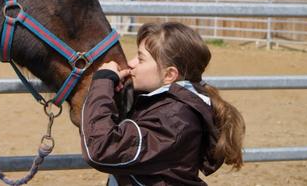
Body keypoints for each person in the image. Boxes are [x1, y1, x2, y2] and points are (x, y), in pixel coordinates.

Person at [80, 22, 245, 186]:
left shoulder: (171, 120)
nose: (131, 63)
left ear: (169, 75)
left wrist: (102, 82)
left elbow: (101, 149)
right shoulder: (167, 107)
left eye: (141, 58)